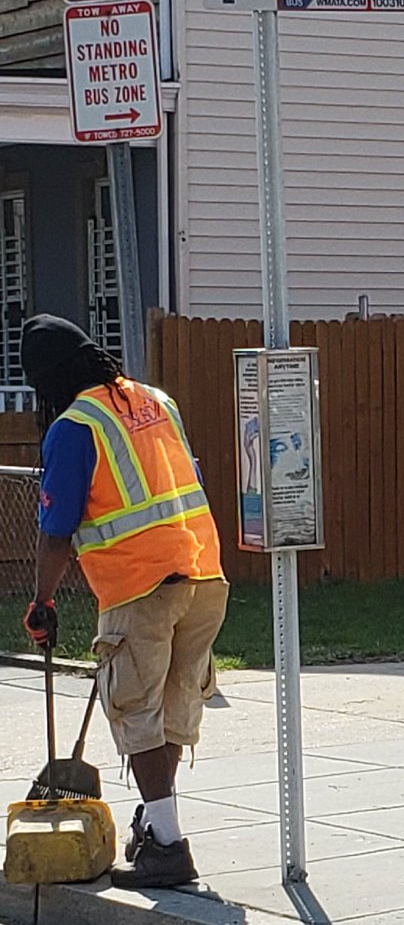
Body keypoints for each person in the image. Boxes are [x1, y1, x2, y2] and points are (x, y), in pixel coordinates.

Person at [19, 315, 228, 889]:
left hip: (140, 585)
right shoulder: (158, 402)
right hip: (204, 574)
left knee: (136, 709)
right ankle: (158, 820)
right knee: (172, 704)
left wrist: (42, 600)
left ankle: (166, 845)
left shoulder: (74, 425)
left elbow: (57, 527)